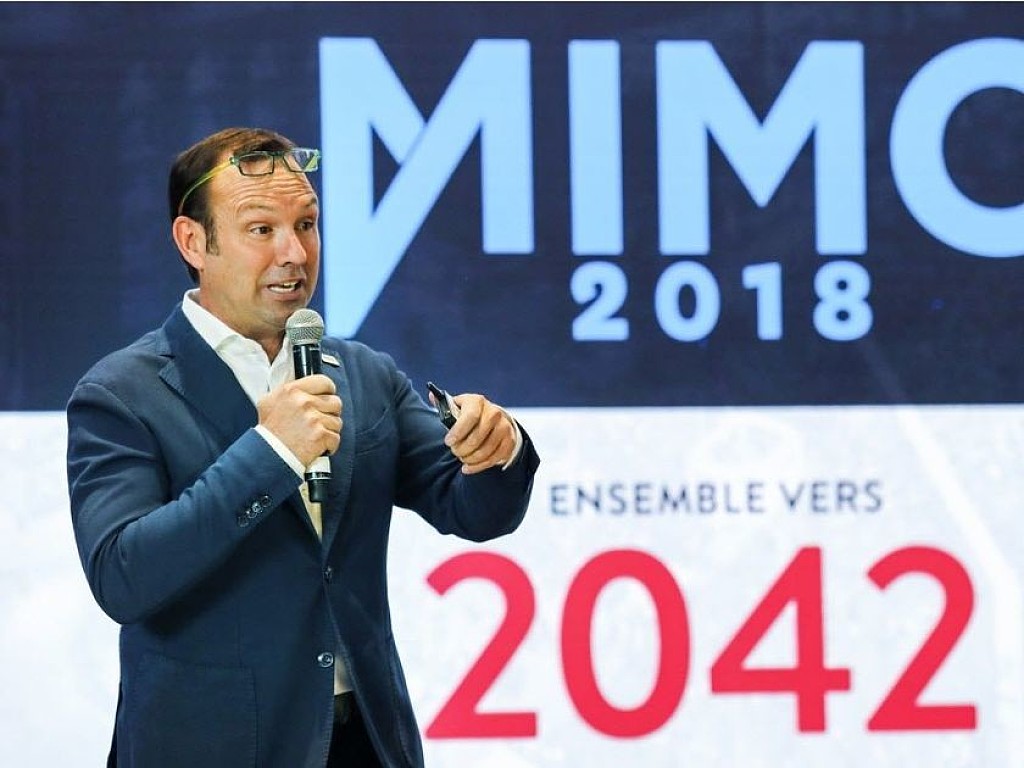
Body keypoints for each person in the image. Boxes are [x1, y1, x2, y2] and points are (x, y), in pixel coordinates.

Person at [66, 127, 540, 768]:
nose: (294, 253)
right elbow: (123, 577)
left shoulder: (364, 373)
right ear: (193, 242)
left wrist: (498, 449)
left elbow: (475, 511)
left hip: (365, 741)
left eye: (307, 225)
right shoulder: (122, 393)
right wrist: (269, 453)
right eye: (262, 229)